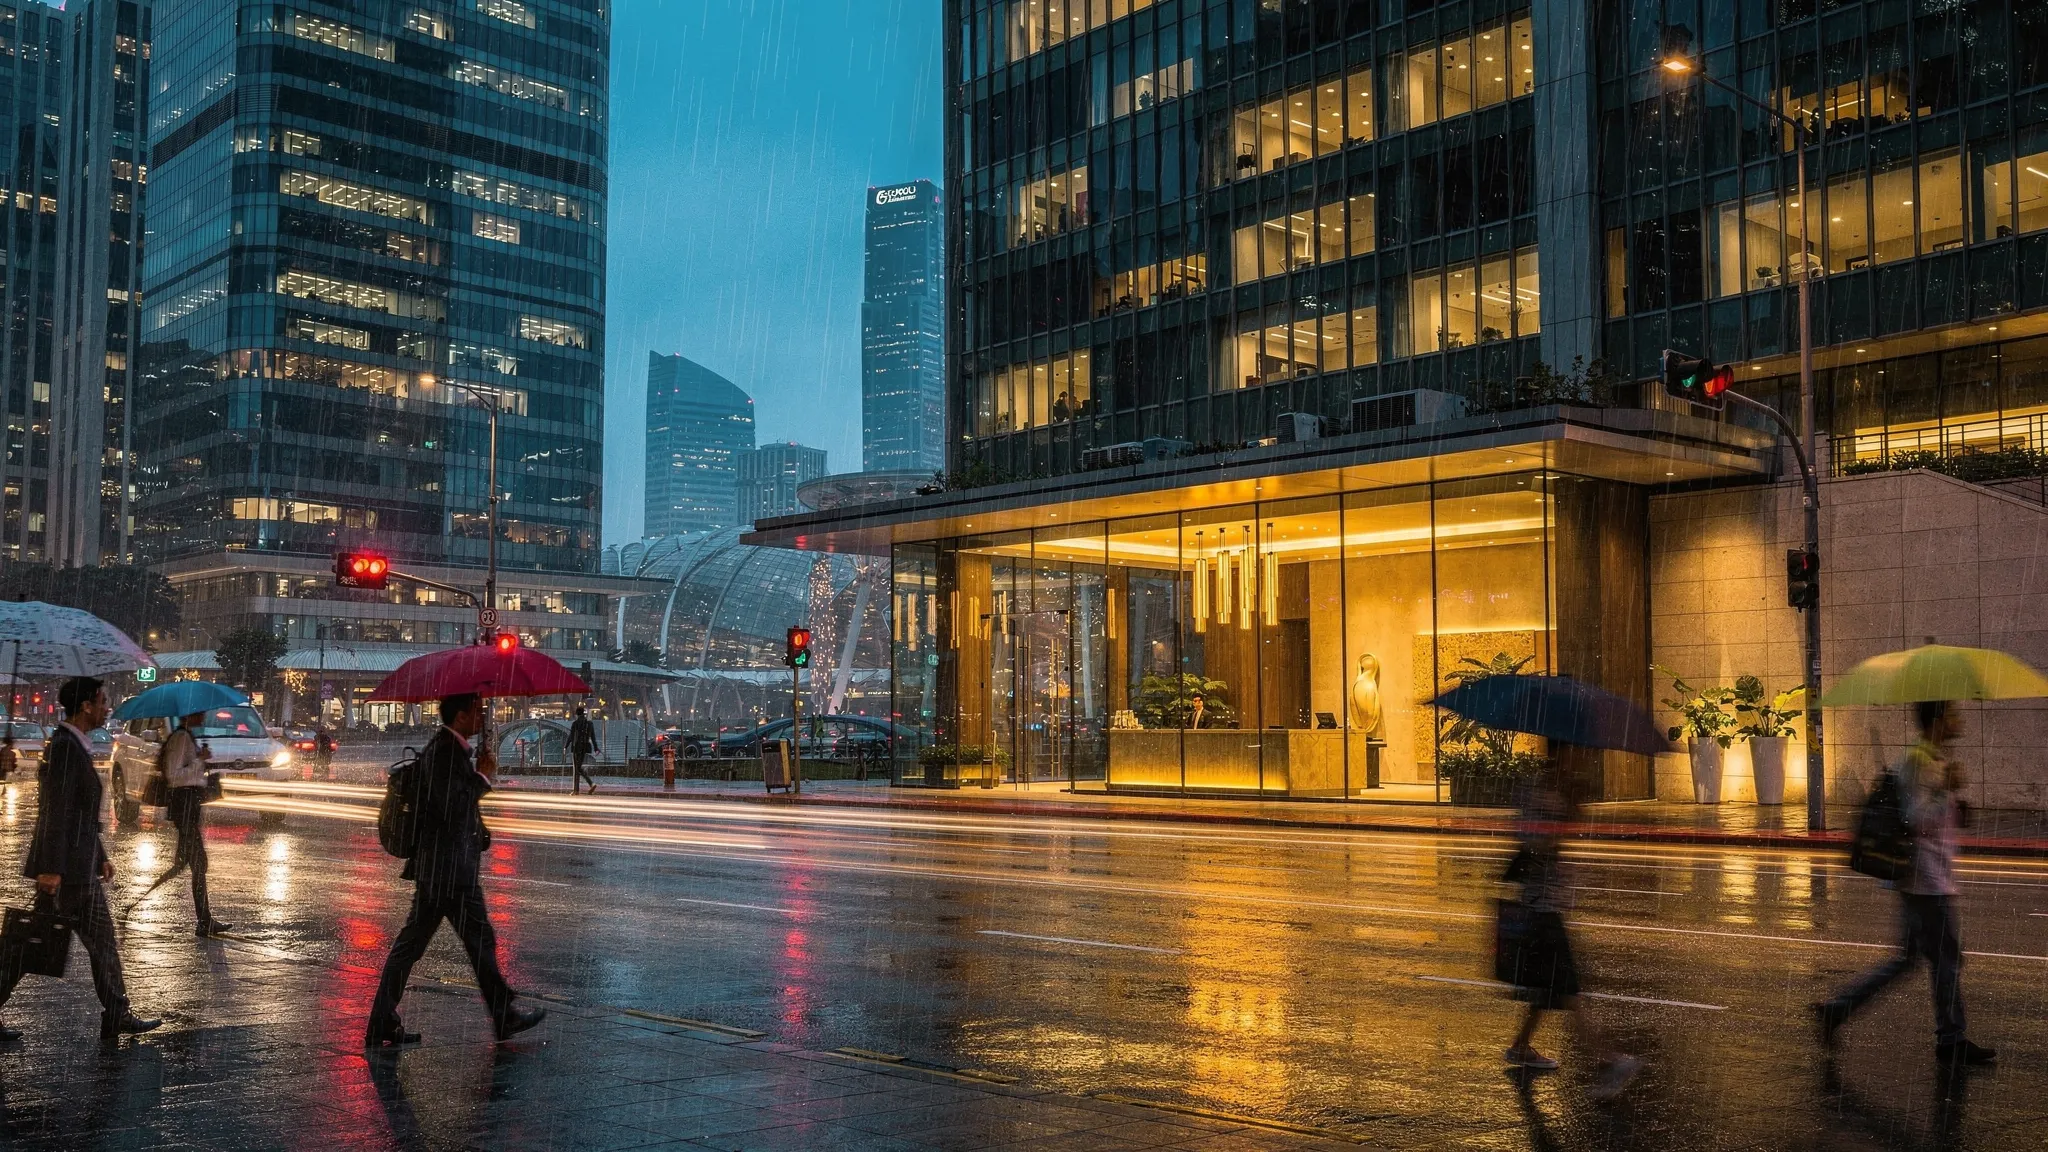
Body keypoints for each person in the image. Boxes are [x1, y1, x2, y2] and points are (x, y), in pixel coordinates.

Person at [1814, 700, 1996, 1068]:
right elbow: (1914, 820)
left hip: (1931, 876)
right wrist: (1945, 790)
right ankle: (1951, 1039)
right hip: (1926, 880)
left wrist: (1955, 798)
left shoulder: (1934, 759)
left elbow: (1944, 820)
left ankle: (1838, 1009)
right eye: (1954, 715)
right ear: (1939, 720)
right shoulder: (1917, 761)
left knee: (1911, 959)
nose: (1960, 721)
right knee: (1945, 960)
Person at [365, 693, 544, 1047]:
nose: (483, 716)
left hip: (442, 868)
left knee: (418, 944)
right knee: (476, 942)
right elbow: (452, 807)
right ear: (461, 716)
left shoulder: (449, 748)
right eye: (478, 710)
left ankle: (381, 1020)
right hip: (449, 870)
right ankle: (503, 1014)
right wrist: (483, 778)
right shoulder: (445, 751)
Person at [0, 676, 160, 1041]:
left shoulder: (75, 745)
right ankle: (117, 1011)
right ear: (86, 706)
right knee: (26, 946)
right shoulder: (65, 746)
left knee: (98, 942)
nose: (107, 707)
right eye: (103, 701)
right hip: (66, 871)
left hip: (81, 865)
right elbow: (57, 811)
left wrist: (99, 854)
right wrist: (51, 868)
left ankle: (117, 1011)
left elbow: (83, 815)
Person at [1498, 761, 1641, 1098]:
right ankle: (1608, 1061)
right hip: (1542, 915)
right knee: (1569, 991)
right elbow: (1533, 845)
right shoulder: (1541, 800)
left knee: (1546, 990)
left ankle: (1521, 1046)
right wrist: (1558, 824)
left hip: (1544, 912)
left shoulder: (1543, 797)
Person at [144, 711, 230, 937]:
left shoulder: (186, 736)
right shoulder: (180, 738)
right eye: (199, 712)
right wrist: (199, 760)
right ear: (189, 714)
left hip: (188, 807)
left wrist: (200, 760)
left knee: (188, 863)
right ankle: (203, 921)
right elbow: (175, 776)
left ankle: (205, 920)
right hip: (184, 806)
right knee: (198, 863)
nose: (204, 715)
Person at [568, 706, 597, 795]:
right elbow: (593, 737)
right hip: (585, 747)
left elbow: (571, 736)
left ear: (577, 714)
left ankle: (580, 788)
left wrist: (566, 746)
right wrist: (596, 747)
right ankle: (581, 788)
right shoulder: (589, 724)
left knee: (577, 768)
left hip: (577, 747)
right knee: (578, 768)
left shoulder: (575, 724)